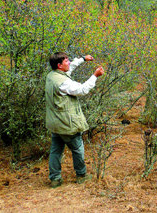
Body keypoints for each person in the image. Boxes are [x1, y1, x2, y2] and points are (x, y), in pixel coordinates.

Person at [45, 52, 104, 188]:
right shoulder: (63, 83)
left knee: (55, 150)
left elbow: (69, 69)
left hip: (55, 123)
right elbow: (82, 90)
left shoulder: (52, 76)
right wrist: (95, 76)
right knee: (78, 148)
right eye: (66, 61)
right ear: (59, 65)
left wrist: (83, 59)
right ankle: (81, 175)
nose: (69, 63)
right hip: (67, 123)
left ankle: (55, 179)